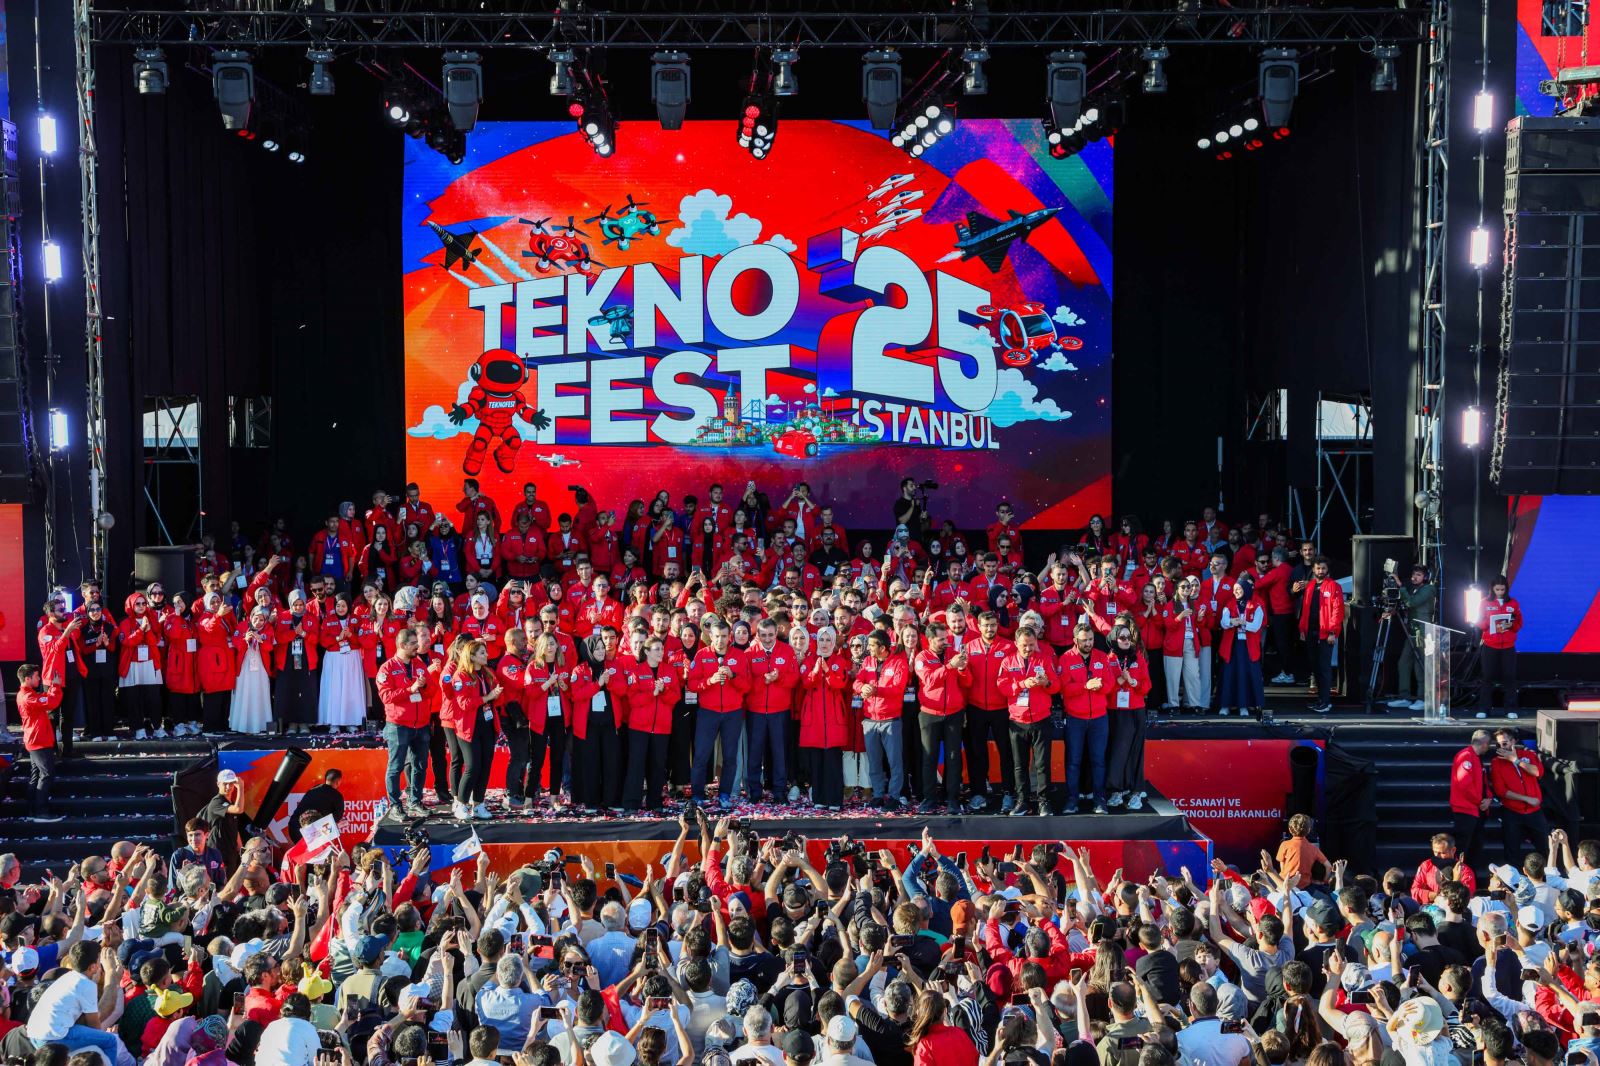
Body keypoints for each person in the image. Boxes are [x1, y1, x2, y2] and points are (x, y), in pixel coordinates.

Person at [1060, 623, 1115, 814]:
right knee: (1073, 762)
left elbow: (1110, 684)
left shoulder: (1102, 657)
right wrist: (1085, 686)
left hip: (1099, 718)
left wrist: (1100, 687)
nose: (1088, 643)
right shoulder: (1066, 658)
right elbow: (1064, 689)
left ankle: (1099, 800)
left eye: (1091, 639)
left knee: (1098, 761)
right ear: (1075, 640)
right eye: (1084, 640)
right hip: (1075, 719)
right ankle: (1072, 800)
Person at [379, 629, 432, 818]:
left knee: (420, 766)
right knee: (396, 767)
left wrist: (424, 685)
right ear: (402, 645)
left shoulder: (420, 664)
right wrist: (410, 689)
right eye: (413, 643)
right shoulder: (387, 668)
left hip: (421, 724)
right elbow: (386, 696)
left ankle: (415, 801)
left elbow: (432, 691)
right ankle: (395, 806)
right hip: (398, 725)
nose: (418, 646)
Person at [1490, 727, 1549, 861]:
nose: (1501, 747)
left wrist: (1515, 760)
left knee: (1544, 847)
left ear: (1513, 741)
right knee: (1512, 850)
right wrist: (1527, 799)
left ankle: (1545, 872)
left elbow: (1538, 772)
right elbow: (1501, 791)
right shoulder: (1496, 762)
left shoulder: (1528, 755)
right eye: (1498, 744)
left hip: (1534, 811)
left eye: (1504, 743)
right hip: (1512, 811)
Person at [16, 663, 66, 822]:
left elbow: (47, 700)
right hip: (38, 741)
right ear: (27, 678)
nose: (39, 679)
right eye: (36, 676)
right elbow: (51, 702)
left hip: (35, 739)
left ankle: (32, 810)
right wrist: (55, 686)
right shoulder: (28, 697)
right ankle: (41, 811)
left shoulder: (27, 695)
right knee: (46, 774)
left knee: (37, 775)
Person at [1387, 564, 1438, 712]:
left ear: (1426, 577)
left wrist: (1400, 585)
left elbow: (1411, 602)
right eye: (1414, 574)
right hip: (1413, 630)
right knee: (1403, 663)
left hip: (1423, 631)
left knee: (1420, 665)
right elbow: (1408, 604)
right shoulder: (1414, 589)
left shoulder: (1429, 589)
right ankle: (1405, 696)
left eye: (1419, 575)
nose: (1415, 577)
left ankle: (1423, 698)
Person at [1297, 556, 1344, 713]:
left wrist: (1332, 632)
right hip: (1311, 632)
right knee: (1316, 668)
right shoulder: (1310, 585)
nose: (1320, 571)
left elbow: (1338, 610)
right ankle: (1321, 699)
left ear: (1327, 569)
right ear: (1313, 569)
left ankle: (1326, 701)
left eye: (1323, 568)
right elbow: (1305, 609)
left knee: (1324, 668)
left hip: (1326, 634)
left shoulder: (1334, 586)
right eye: (1318, 568)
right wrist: (1302, 629)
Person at [1216, 576, 1265, 719]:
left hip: (1248, 646)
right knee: (1229, 675)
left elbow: (1256, 626)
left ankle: (1244, 706)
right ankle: (1225, 705)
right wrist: (1232, 621)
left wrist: (1243, 623)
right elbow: (1223, 622)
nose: (1236, 592)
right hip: (1232, 646)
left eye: (1239, 589)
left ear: (1246, 589)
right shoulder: (1229, 605)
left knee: (1245, 675)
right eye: (1234, 589)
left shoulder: (1256, 606)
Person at [1476, 575, 1522, 717]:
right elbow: (1479, 622)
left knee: (1509, 677)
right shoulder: (1484, 602)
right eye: (1497, 589)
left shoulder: (1513, 603)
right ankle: (1484, 709)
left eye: (1502, 589)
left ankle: (1510, 709)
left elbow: (1518, 623)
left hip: (1508, 646)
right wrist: (1490, 622)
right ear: (1492, 589)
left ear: (1506, 589)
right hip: (1490, 645)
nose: (1500, 592)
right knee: (1487, 677)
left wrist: (1510, 625)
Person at [1449, 729, 1493, 869]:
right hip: (1466, 809)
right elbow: (1465, 784)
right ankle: (1459, 876)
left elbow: (1483, 783)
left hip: (1475, 809)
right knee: (1463, 848)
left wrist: (1489, 799)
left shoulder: (1475, 758)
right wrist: (1480, 801)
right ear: (1485, 744)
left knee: (1474, 846)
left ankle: (1469, 876)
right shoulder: (1466, 756)